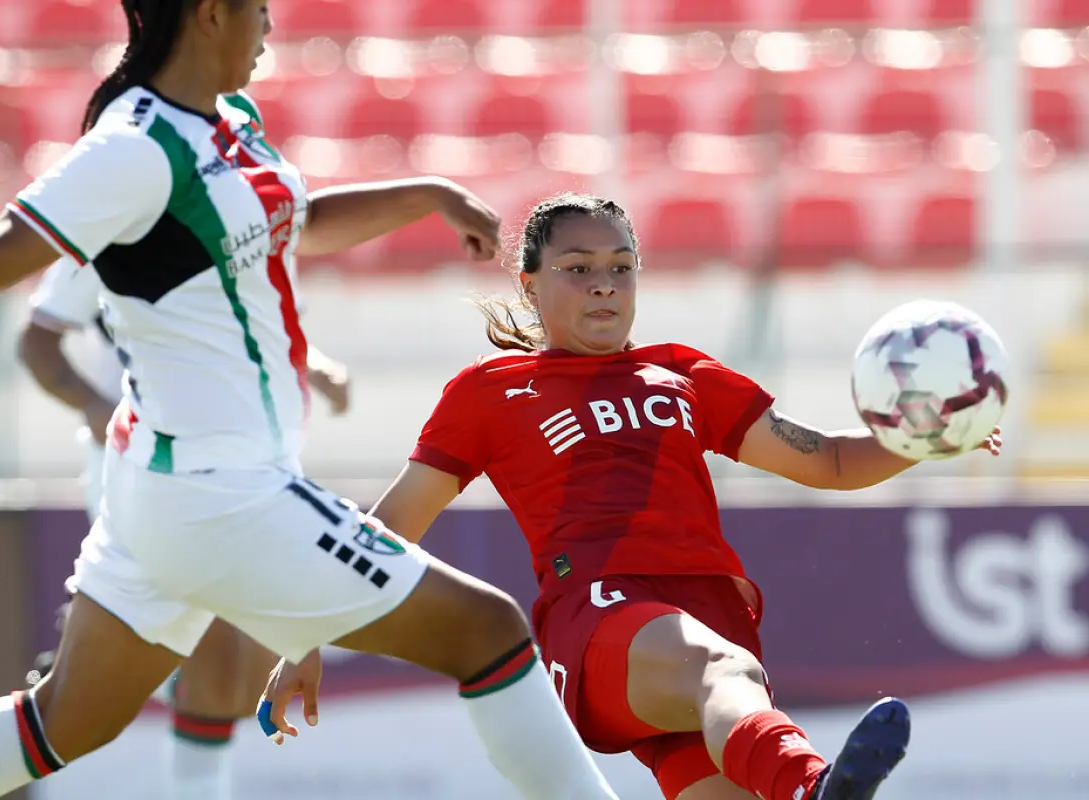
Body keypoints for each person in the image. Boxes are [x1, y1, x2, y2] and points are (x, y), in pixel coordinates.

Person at [0, 3, 620, 799]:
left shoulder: (230, 120)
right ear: (209, 13)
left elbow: (296, 224)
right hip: (221, 494)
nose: (271, 26)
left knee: (66, 721)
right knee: (490, 631)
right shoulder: (134, 150)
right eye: (260, 9)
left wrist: (427, 194)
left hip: (167, 487)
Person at [259, 193, 1004, 800]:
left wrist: (927, 439)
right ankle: (815, 789)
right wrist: (308, 634)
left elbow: (834, 461)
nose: (604, 284)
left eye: (620, 267)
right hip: (601, 618)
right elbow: (391, 528)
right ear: (530, 283)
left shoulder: (683, 374)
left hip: (714, 616)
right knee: (724, 675)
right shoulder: (491, 393)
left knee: (724, 683)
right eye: (577, 268)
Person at [18, 255, 351, 799]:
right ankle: (117, 644)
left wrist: (316, 369)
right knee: (213, 659)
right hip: (138, 470)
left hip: (243, 470)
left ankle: (123, 641)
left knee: (237, 681)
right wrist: (97, 406)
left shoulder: (250, 217)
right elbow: (37, 341)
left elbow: (270, 333)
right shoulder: (108, 223)